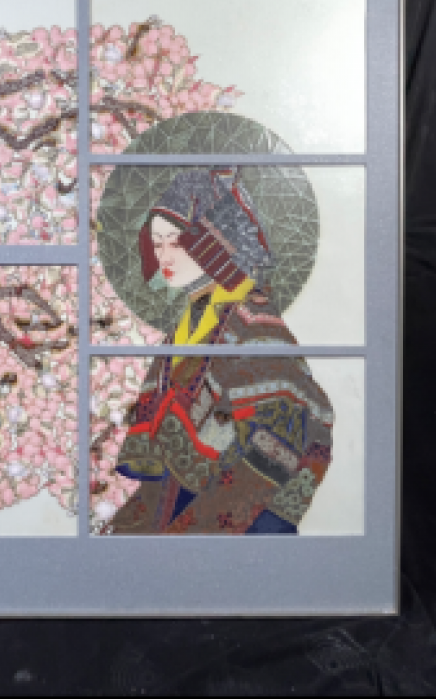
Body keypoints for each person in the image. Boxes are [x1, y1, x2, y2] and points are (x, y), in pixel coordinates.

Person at [107, 168, 334, 535]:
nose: (164, 256)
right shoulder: (185, 329)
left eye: (176, 242)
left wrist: (191, 535)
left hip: (253, 511)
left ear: (214, 242)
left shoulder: (256, 324)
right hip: (188, 499)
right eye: (157, 243)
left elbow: (272, 450)